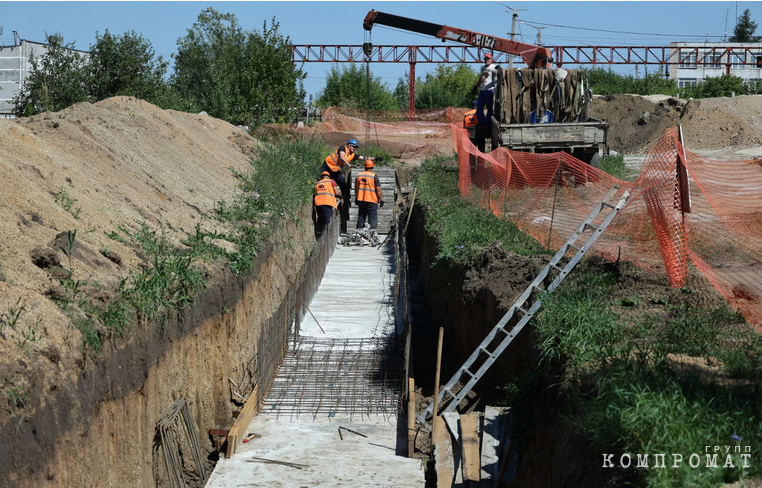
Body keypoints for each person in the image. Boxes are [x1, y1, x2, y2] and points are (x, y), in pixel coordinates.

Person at [354, 159, 384, 237]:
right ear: (372, 167)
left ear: (365, 167)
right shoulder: (374, 176)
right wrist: (381, 199)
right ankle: (371, 235)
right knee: (372, 217)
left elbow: (356, 188)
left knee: (361, 216)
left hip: (361, 200)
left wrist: (356, 198)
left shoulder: (358, 176)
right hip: (372, 200)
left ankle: (359, 234)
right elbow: (378, 189)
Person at [313, 171, 341, 237]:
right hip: (327, 202)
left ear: (321, 177)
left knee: (320, 218)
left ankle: (318, 233)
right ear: (328, 176)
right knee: (327, 220)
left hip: (318, 203)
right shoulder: (331, 181)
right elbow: (336, 193)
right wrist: (339, 196)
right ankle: (327, 235)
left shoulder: (317, 183)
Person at [473, 53, 497, 127]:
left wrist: (498, 69)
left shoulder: (494, 67)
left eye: (488, 59)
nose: (486, 60)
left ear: (491, 60)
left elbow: (499, 75)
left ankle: (489, 123)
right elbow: (481, 77)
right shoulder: (483, 68)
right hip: (483, 90)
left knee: (490, 107)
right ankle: (481, 122)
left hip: (490, 90)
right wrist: (476, 86)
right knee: (479, 106)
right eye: (485, 59)